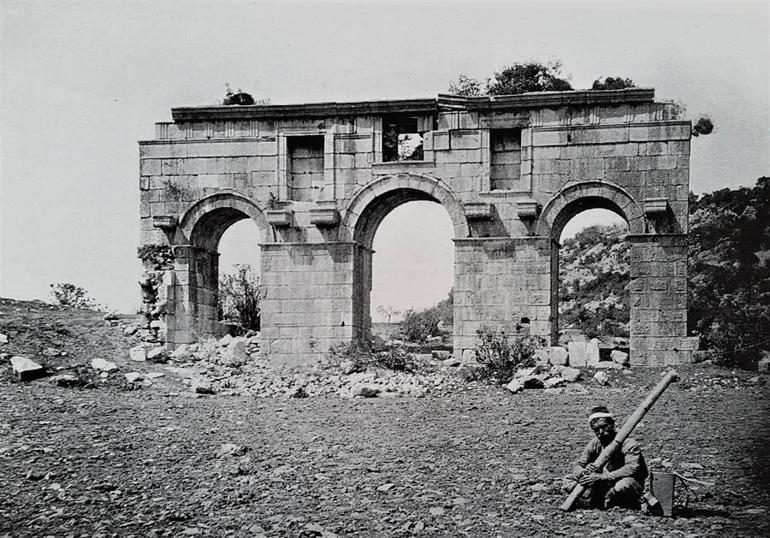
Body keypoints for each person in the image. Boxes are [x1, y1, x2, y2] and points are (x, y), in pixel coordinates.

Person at [562, 405, 648, 509]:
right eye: (596, 430)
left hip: (620, 481)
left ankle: (608, 500)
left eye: (603, 427)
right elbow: (579, 465)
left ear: (612, 424)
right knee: (568, 480)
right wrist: (583, 472)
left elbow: (632, 468)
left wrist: (603, 477)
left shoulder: (628, 443)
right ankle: (596, 499)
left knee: (624, 485)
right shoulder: (595, 444)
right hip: (601, 483)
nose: (600, 432)